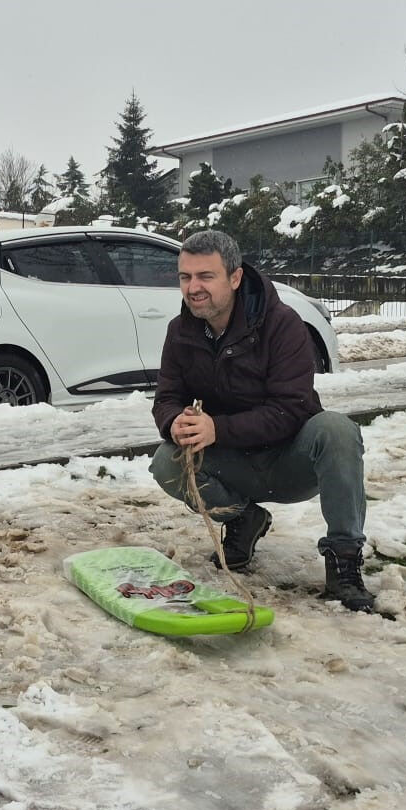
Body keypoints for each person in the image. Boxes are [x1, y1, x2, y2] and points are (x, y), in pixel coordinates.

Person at [149, 230, 374, 613]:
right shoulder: (180, 331)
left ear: (235, 278)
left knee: (336, 429)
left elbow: (291, 408)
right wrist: (174, 422)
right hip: (232, 463)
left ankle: (344, 561)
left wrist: (218, 428)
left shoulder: (282, 324)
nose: (193, 288)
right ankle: (244, 519)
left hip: (289, 459)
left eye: (205, 276)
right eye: (185, 277)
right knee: (165, 462)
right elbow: (167, 399)